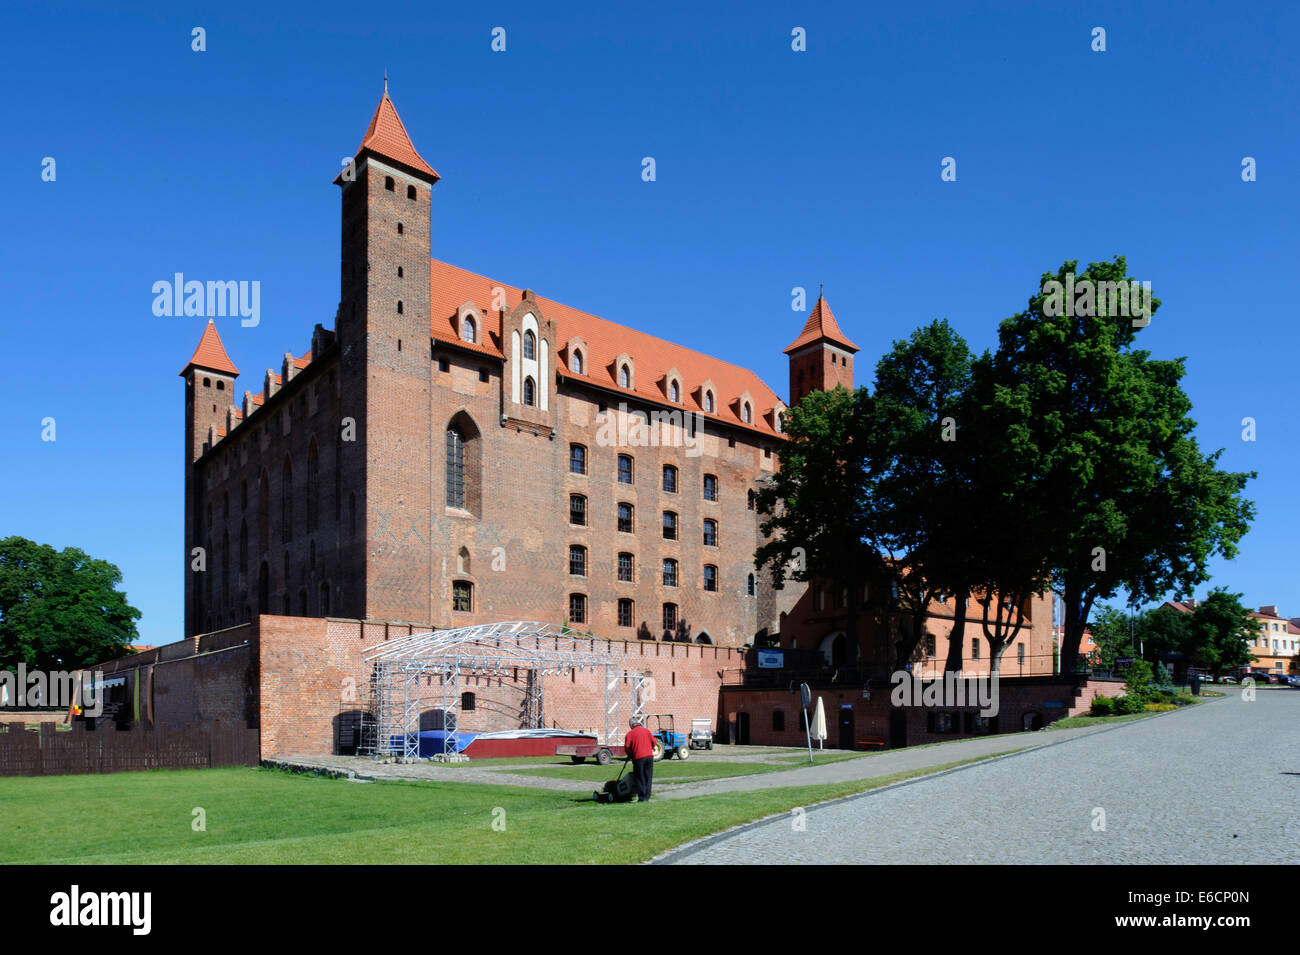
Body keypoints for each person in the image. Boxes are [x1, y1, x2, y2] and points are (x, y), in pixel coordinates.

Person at [623, 715, 656, 802]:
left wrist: (630, 754)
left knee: (639, 777)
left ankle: (642, 797)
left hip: (638, 758)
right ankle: (647, 796)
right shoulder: (647, 731)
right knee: (648, 777)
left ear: (631, 725)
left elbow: (627, 746)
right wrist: (650, 748)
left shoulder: (630, 734)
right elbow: (654, 742)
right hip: (649, 757)